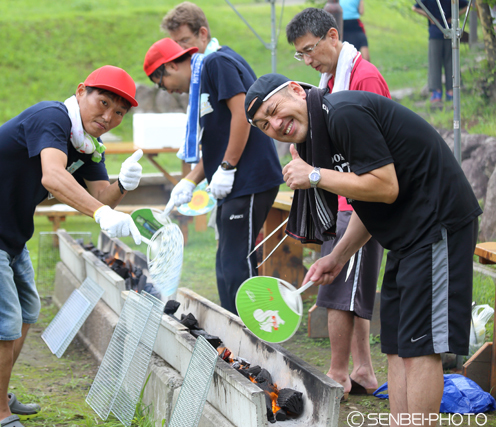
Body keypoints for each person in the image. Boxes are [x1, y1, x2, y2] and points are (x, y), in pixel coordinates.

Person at [245, 74, 481, 425]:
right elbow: (366, 200)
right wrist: (337, 257)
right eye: (265, 125)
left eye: (274, 111)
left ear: (296, 90)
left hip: (437, 224)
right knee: (398, 346)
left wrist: (314, 175)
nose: (275, 125)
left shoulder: (343, 114)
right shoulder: (318, 137)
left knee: (421, 347)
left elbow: (385, 186)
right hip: (405, 236)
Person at [0, 65, 143, 427]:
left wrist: (123, 184)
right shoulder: (51, 117)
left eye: (119, 112)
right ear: (81, 91)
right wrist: (100, 211)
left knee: (24, 313)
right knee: (2, 323)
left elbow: (102, 195)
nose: (109, 116)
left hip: (10, 231)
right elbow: (53, 175)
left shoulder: (89, 143)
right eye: (103, 103)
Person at [286, 7, 391, 398]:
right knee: (353, 290)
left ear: (333, 37)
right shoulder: (332, 78)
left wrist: (318, 173)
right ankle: (361, 369)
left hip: (360, 201)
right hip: (342, 197)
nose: (309, 60)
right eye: (301, 55)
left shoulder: (362, 77)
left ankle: (338, 373)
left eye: (311, 50)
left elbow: (370, 151)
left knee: (337, 292)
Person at [144, 35, 284, 315]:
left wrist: (228, 166)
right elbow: (219, 140)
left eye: (162, 85)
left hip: (250, 178)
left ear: (169, 67)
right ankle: (231, 328)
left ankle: (248, 332)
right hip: (236, 183)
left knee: (235, 261)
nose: (168, 92)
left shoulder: (216, 63)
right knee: (224, 261)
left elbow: (242, 112)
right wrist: (189, 181)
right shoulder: (203, 79)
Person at [413, 0, 468, 104]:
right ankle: (443, 92)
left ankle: (444, 92)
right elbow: (415, 7)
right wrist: (431, 18)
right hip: (440, 32)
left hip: (446, 32)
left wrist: (453, 18)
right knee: (445, 61)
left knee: (443, 62)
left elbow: (415, 8)